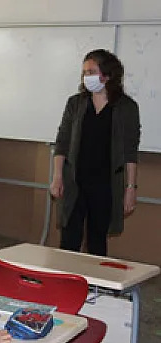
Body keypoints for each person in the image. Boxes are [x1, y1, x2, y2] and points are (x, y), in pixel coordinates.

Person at [52, 49, 141, 256]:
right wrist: (57, 177)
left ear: (108, 74)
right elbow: (62, 142)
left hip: (105, 186)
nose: (86, 77)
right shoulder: (76, 103)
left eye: (91, 72)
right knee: (69, 241)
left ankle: (94, 278)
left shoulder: (126, 107)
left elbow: (130, 151)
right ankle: (66, 276)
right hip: (75, 182)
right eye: (84, 72)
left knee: (97, 243)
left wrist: (130, 188)